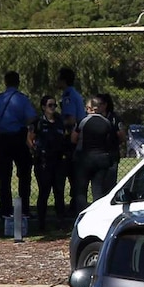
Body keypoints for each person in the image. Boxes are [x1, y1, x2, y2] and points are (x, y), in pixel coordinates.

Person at [0, 70, 38, 219]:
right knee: (24, 175)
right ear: (18, 82)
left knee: (4, 177)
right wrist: (20, 123)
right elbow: (32, 117)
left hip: (2, 140)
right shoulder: (23, 99)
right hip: (19, 139)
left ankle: (5, 211)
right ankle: (24, 209)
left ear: (5, 82)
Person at [28, 95, 68, 231]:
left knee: (59, 192)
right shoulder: (38, 123)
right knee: (44, 192)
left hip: (58, 161)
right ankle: (41, 223)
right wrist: (36, 151)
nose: (53, 108)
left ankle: (61, 221)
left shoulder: (60, 121)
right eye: (50, 105)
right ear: (43, 107)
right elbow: (29, 139)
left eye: (54, 105)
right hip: (43, 162)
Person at [71, 97, 116, 213]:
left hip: (84, 159)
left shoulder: (83, 121)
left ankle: (81, 214)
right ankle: (98, 214)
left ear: (90, 109)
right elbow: (110, 141)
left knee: (81, 190)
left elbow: (73, 139)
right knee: (98, 190)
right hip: (101, 159)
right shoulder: (107, 122)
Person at [58, 67, 86, 214]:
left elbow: (71, 118)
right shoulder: (74, 93)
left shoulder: (68, 95)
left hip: (71, 138)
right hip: (77, 137)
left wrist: (57, 123)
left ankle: (75, 204)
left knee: (71, 171)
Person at [97, 93, 126, 195]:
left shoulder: (114, 119)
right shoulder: (94, 118)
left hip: (111, 155)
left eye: (99, 104)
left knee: (110, 184)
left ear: (105, 105)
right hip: (97, 155)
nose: (96, 107)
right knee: (98, 185)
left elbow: (122, 136)